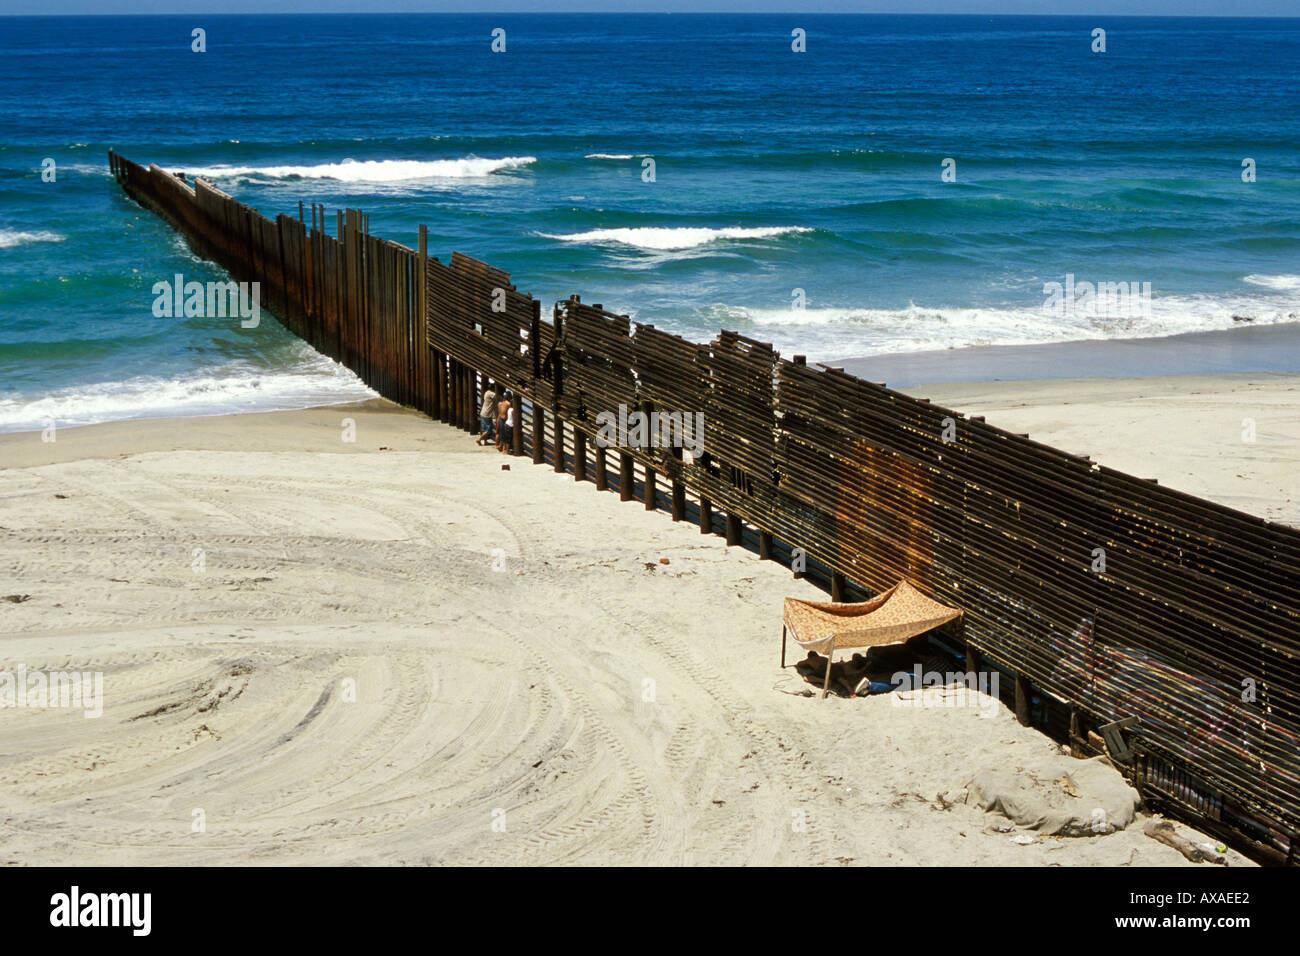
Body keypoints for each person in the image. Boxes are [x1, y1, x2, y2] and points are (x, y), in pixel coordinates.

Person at [476, 381, 497, 446]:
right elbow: (498, 398)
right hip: (487, 414)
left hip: (483, 412)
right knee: (488, 429)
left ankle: (485, 441)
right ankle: (479, 439)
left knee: (484, 429)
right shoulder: (491, 393)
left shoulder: (486, 392)